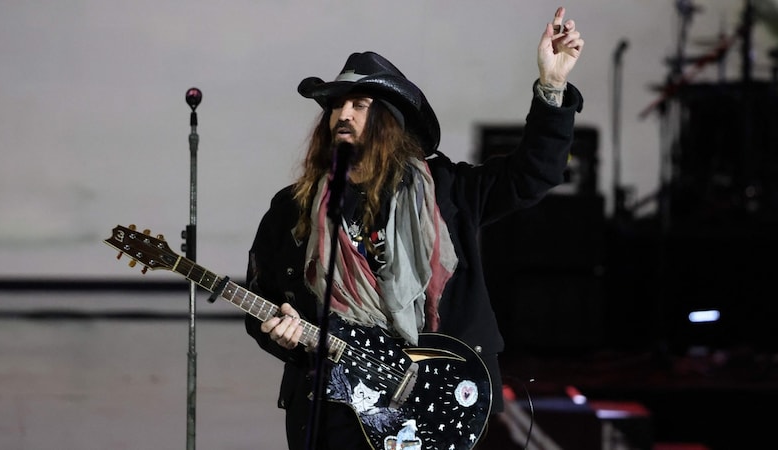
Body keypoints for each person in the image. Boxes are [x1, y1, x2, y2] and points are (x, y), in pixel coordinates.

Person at [244, 6, 584, 450]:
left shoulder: (447, 190)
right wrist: (285, 335)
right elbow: (266, 299)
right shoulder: (293, 208)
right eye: (335, 105)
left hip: (437, 400)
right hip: (336, 408)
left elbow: (532, 175)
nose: (342, 114)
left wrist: (552, 87)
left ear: (389, 122)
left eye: (359, 104)